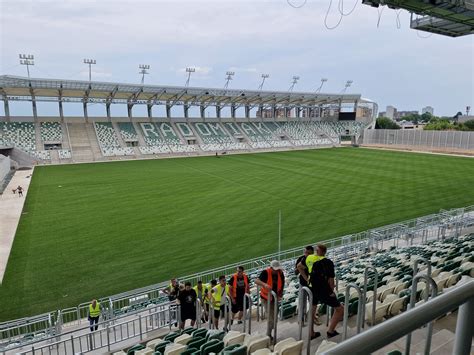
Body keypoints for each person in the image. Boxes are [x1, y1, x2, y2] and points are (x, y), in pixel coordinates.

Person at [306, 244, 344, 339]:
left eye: (317, 251)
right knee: (340, 309)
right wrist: (331, 291)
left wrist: (305, 278)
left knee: (312, 310)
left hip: (312, 288)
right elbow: (331, 280)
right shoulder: (328, 262)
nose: (316, 252)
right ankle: (330, 331)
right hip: (322, 290)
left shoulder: (310, 259)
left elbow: (300, 267)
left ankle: (311, 333)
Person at [255, 260, 285, 340]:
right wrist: (264, 284)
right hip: (266, 298)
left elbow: (282, 284)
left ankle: (271, 330)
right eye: (275, 269)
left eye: (278, 269)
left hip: (275, 298)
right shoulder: (265, 272)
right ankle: (268, 335)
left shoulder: (280, 273)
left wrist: (280, 293)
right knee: (271, 318)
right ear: (271, 268)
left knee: (275, 316)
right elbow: (256, 281)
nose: (277, 270)